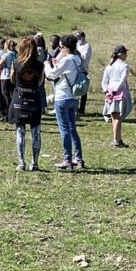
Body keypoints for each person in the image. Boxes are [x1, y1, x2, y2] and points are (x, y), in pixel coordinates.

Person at [45, 33, 84, 171]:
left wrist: (46, 64)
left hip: (62, 97)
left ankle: (67, 160)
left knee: (64, 130)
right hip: (73, 97)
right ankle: (79, 158)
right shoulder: (77, 58)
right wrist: (59, 60)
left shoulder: (66, 60)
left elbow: (51, 75)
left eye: (61, 47)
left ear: (65, 47)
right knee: (73, 128)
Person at [9, 36, 45, 171]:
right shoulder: (40, 65)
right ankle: (35, 163)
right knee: (36, 131)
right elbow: (40, 82)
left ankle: (21, 162)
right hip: (34, 100)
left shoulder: (16, 63)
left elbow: (12, 80)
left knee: (20, 131)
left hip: (19, 99)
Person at [101, 44, 132, 148]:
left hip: (110, 91)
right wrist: (114, 92)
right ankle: (117, 140)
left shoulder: (109, 66)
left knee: (114, 116)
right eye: (125, 53)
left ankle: (117, 138)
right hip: (119, 92)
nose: (127, 55)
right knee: (117, 116)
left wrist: (106, 92)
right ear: (122, 54)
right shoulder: (125, 66)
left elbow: (104, 81)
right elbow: (122, 80)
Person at [0, 38, 17, 120]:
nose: (4, 45)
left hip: (5, 76)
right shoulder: (16, 54)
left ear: (8, 46)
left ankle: (8, 112)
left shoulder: (5, 55)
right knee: (12, 95)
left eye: (5, 44)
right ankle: (13, 112)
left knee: (5, 95)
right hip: (13, 77)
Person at [75, 31, 93, 115]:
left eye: (78, 38)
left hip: (83, 69)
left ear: (82, 37)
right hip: (75, 69)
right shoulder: (76, 45)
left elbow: (84, 57)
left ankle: (82, 109)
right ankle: (75, 107)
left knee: (83, 89)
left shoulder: (87, 46)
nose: (77, 40)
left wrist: (76, 53)